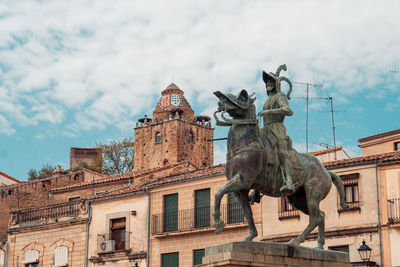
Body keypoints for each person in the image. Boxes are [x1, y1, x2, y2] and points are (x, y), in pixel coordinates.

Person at [258, 67, 295, 194]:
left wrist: (268, 111)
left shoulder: (281, 96)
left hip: (277, 127)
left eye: (270, 81)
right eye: (267, 82)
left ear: (276, 84)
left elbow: (288, 110)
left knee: (282, 152)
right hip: (265, 129)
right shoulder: (267, 99)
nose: (268, 83)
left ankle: (289, 181)